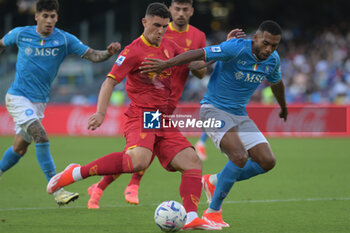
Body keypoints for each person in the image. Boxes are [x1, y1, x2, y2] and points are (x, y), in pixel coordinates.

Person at [46, 3, 221, 230]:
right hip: (142, 114)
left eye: (164, 26)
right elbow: (109, 81)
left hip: (162, 117)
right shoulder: (133, 50)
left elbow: (196, 64)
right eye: (156, 25)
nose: (160, 31)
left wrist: (221, 51)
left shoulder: (170, 44)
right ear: (145, 22)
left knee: (192, 161)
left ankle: (190, 218)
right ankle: (76, 172)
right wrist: (100, 112)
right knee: (138, 160)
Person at [140, 20, 288, 227]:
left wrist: (283, 106)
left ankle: (214, 181)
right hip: (213, 110)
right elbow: (199, 54)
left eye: (274, 45)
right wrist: (166, 64)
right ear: (255, 38)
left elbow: (277, 82)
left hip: (239, 114)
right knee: (239, 156)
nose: (268, 49)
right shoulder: (235, 48)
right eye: (265, 43)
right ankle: (213, 212)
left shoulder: (272, 60)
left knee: (267, 161)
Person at [87, 0, 212, 209]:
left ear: (191, 11)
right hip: (149, 107)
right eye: (177, 9)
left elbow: (199, 72)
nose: (181, 13)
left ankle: (101, 186)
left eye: (185, 9)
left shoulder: (197, 36)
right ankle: (129, 185)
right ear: (170, 10)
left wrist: (215, 54)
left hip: (169, 104)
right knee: (140, 154)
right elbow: (117, 75)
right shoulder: (160, 32)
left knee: (137, 155)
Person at [0, 0, 121, 206]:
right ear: (36, 16)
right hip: (18, 97)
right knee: (41, 135)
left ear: (57, 17)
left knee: (20, 148)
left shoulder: (65, 40)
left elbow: (92, 55)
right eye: (45, 16)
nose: (49, 21)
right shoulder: (21, 33)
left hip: (39, 103)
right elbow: (1, 44)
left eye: (53, 16)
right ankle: (58, 190)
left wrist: (108, 53)